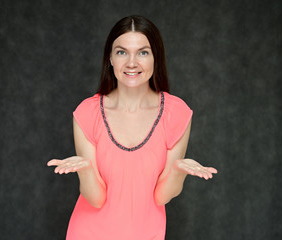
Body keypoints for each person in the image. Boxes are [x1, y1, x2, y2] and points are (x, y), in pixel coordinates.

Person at [47, 15, 217, 240]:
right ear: (110, 58)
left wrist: (177, 170)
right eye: (121, 52)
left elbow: (161, 196)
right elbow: (96, 198)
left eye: (143, 52)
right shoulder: (87, 113)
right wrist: (86, 170)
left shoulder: (176, 113)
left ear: (156, 57)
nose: (131, 63)